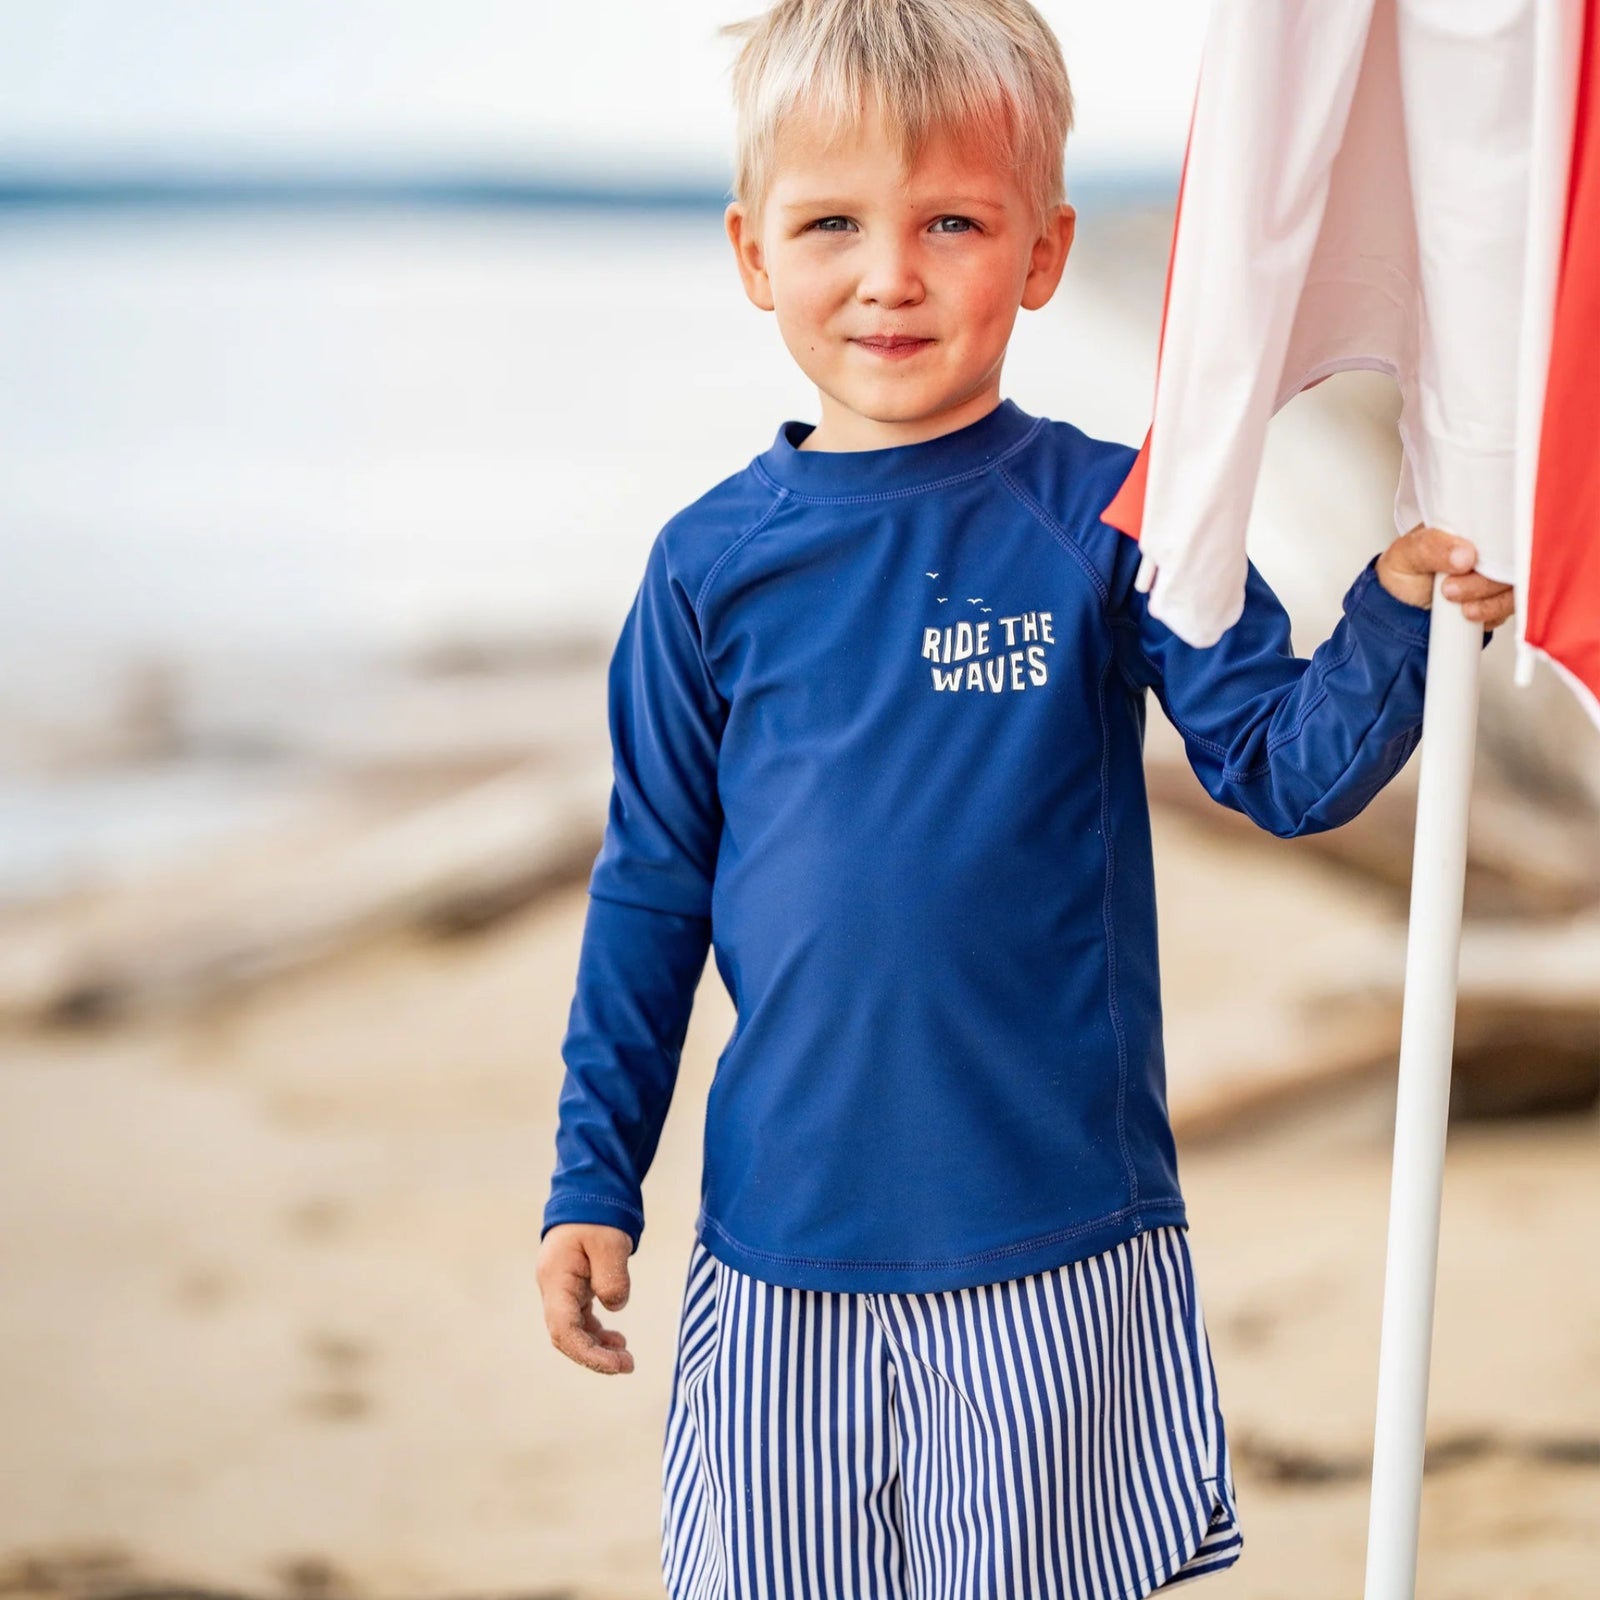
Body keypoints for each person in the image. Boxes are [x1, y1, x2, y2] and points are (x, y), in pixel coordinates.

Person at [535, 1, 1516, 1594]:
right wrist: (595, 1177)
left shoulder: (1113, 514)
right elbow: (651, 888)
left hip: (1052, 1249)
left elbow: (1280, 767)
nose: (891, 272)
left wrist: (1394, 617)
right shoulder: (706, 566)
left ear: (1045, 250)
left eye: (952, 223)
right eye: (833, 222)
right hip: (780, 1257)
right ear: (750, 251)